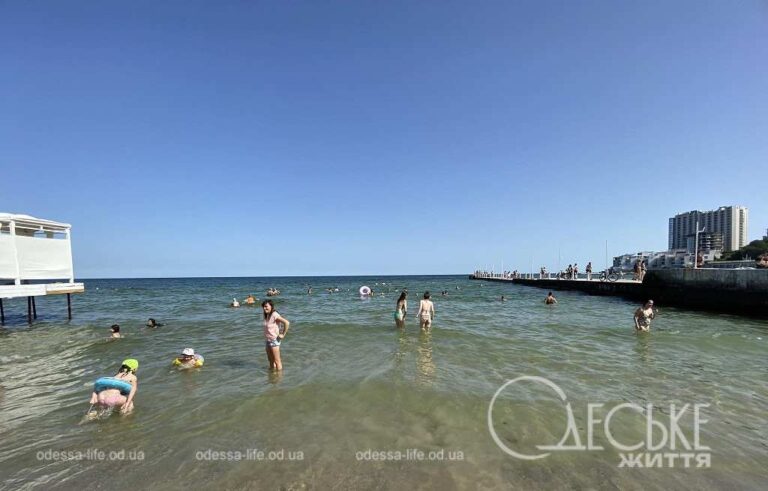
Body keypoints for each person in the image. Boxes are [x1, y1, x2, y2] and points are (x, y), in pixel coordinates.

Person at [262, 300, 290, 371]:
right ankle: (272, 376)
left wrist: (283, 334)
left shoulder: (274, 314)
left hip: (274, 340)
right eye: (263, 307)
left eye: (266, 306)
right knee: (270, 360)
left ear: (271, 306)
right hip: (268, 341)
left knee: (277, 361)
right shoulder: (267, 315)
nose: (264, 308)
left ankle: (279, 378)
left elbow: (287, 323)